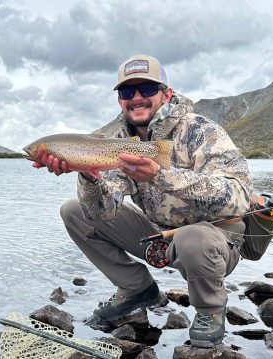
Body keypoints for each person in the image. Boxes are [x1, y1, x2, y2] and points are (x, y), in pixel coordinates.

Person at [33, 54, 253, 348]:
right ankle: (138, 289)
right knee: (73, 211)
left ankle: (210, 309)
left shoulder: (203, 131)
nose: (137, 98)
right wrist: (89, 176)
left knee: (194, 237)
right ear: (120, 101)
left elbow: (238, 198)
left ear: (167, 94)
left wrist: (161, 176)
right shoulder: (118, 142)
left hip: (214, 244)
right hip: (158, 236)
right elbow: (102, 212)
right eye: (127, 92)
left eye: (147, 89)